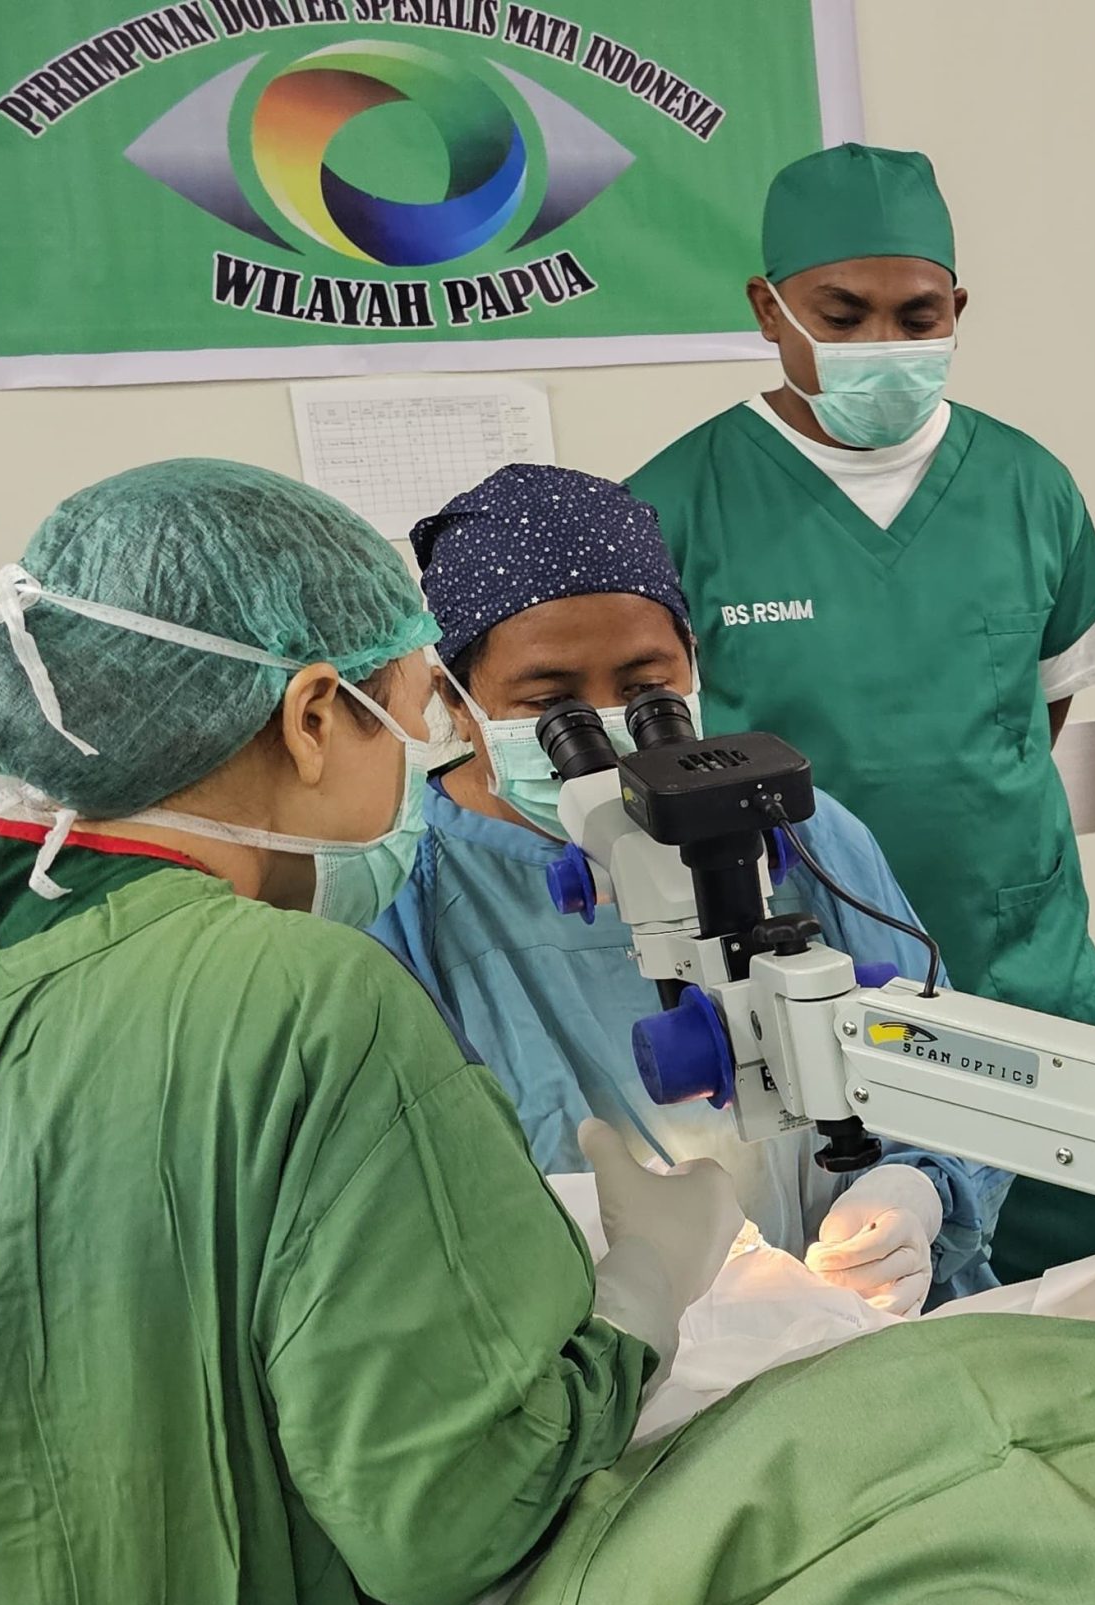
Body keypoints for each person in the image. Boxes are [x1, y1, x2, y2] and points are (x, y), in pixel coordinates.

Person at [0, 460, 742, 1605]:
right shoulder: (305, 1000)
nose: (417, 763)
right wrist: (642, 1290)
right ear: (315, 718)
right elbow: (445, 1523)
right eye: (408, 716)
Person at [629, 143, 1095, 1282]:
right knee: (862, 1277)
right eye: (842, 313)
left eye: (917, 316)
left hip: (1021, 964)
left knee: (1089, 1279)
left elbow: (1041, 711)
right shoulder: (674, 504)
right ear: (768, 308)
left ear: (957, 309)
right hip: (810, 976)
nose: (883, 344)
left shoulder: (1028, 486)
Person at [368, 462, 1010, 1313]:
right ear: (456, 700)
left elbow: (949, 1066)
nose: (608, 730)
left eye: (647, 692)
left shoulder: (800, 833)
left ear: (693, 662)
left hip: (855, 1316)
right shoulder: (403, 894)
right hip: (603, 1352)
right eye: (550, 703)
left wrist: (922, 1190)